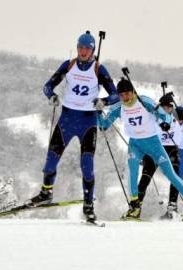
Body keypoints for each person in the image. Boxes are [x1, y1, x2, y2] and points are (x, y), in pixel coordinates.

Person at [29, 31, 119, 223]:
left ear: (93, 49)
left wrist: (103, 101)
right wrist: (52, 96)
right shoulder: (68, 65)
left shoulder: (99, 69)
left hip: (88, 122)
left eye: (87, 48)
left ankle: (88, 206)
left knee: (87, 166)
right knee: (50, 161)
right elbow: (47, 86)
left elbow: (116, 95)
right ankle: (46, 193)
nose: (83, 51)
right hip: (67, 120)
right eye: (80, 47)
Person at [97, 78, 183, 219]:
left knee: (170, 174)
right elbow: (104, 125)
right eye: (121, 95)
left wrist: (164, 122)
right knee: (132, 172)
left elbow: (164, 115)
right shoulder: (119, 107)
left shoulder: (144, 101)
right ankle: (134, 206)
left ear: (133, 92)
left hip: (153, 143)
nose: (125, 98)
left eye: (127, 94)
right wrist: (98, 111)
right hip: (135, 144)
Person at [137, 93, 182, 219]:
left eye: (169, 107)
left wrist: (175, 146)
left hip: (170, 149)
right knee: (146, 176)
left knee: (175, 175)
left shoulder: (173, 120)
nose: (167, 109)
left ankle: (172, 207)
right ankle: (136, 206)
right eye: (164, 107)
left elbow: (178, 137)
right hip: (154, 148)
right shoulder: (152, 117)